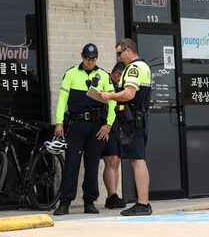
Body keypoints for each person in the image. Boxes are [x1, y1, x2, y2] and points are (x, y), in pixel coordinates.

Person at [52, 43, 115, 216]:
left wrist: (108, 125)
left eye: (94, 59)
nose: (90, 62)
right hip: (77, 125)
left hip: (96, 126)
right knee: (71, 162)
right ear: (82, 56)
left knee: (92, 164)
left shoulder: (103, 75)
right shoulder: (71, 73)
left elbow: (112, 102)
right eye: (88, 58)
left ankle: (90, 201)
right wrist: (59, 122)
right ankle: (65, 202)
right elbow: (62, 99)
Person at [99, 38, 153, 216]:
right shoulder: (142, 67)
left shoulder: (134, 68)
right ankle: (143, 202)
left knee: (137, 160)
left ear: (128, 50)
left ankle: (143, 203)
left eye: (119, 53)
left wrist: (109, 96)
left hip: (133, 121)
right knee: (138, 159)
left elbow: (129, 94)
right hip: (136, 120)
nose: (119, 57)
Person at [100, 60, 127, 210]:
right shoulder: (104, 80)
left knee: (116, 161)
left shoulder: (119, 87)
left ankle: (114, 195)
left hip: (117, 127)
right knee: (110, 160)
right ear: (116, 74)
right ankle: (111, 196)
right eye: (120, 78)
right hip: (106, 126)